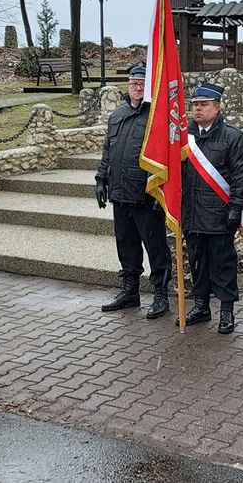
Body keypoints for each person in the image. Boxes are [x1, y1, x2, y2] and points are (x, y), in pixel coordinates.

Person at [95, 64, 172, 318]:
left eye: (141, 84)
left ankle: (161, 294)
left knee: (156, 247)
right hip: (119, 193)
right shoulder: (117, 115)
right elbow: (109, 150)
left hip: (146, 195)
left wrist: (159, 189)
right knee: (126, 245)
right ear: (127, 87)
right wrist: (100, 179)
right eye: (133, 84)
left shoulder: (156, 117)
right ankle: (130, 291)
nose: (137, 88)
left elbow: (165, 158)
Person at [180, 82, 243, 333]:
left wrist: (236, 207)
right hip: (191, 213)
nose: (197, 109)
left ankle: (227, 311)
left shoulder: (233, 137)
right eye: (195, 104)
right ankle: (201, 306)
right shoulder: (182, 137)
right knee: (197, 263)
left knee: (223, 264)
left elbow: (242, 177)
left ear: (217, 108)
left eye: (204, 104)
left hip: (219, 214)